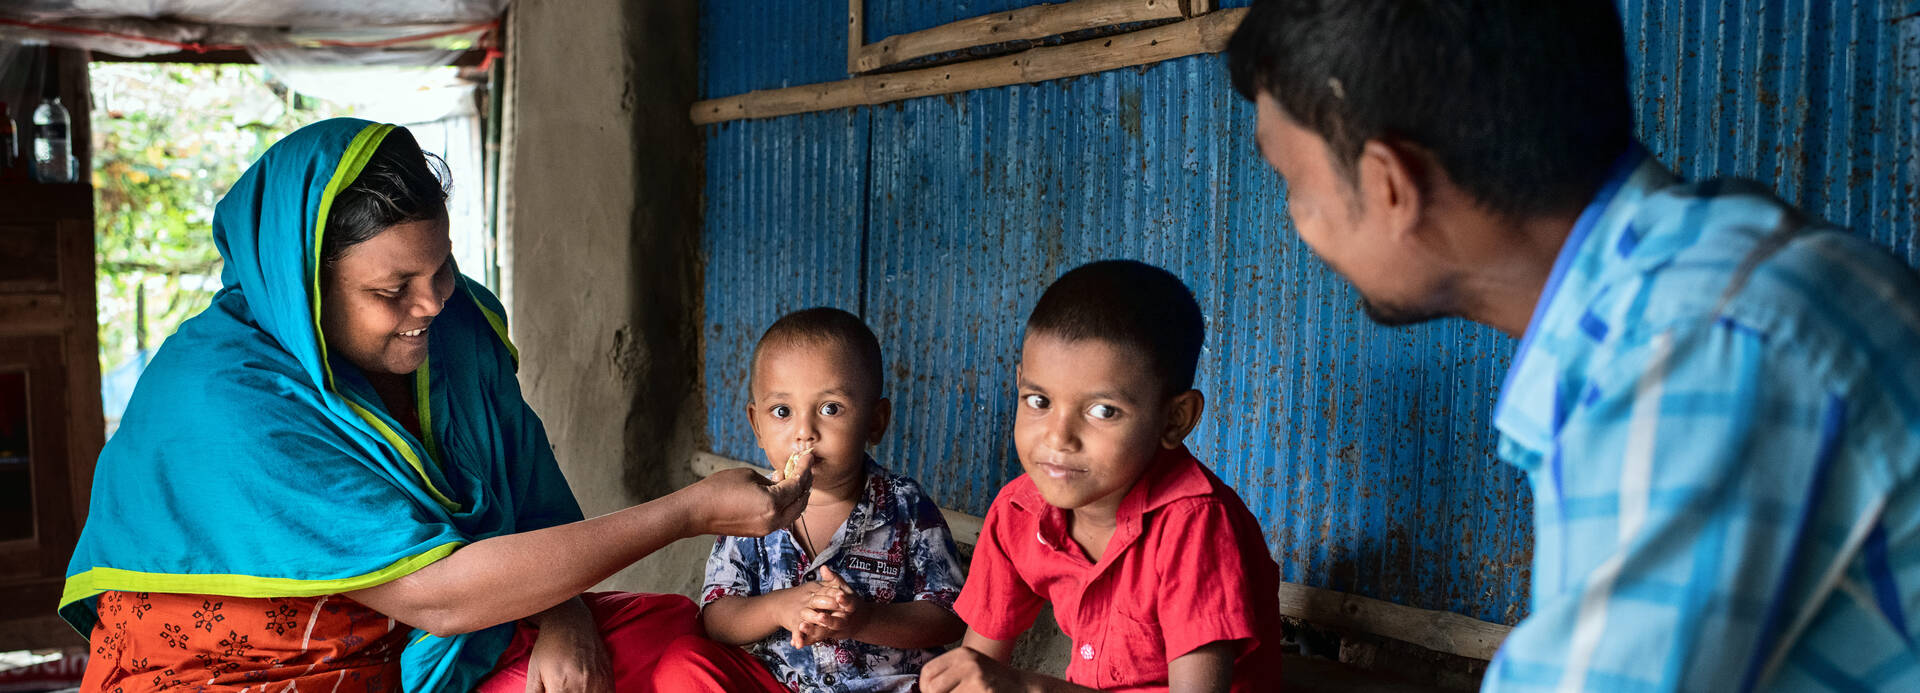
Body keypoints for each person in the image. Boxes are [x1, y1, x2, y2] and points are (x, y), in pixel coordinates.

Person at [1228, 0, 1920, 689]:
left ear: (1389, 185)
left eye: (1295, 184)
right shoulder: (1699, 280)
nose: (1298, 221)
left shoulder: (1693, 345)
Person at [59, 118, 813, 693]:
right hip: (242, 670)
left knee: (680, 650)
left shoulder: (458, 334)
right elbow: (436, 594)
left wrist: (564, 611)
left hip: (436, 636)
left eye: (442, 265)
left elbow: (526, 507)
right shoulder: (224, 400)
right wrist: (688, 511)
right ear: (303, 289)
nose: (430, 303)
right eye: (391, 291)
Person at [920, 260, 1284, 692]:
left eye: (1103, 411)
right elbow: (975, 670)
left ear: (1175, 419)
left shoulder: (1193, 524)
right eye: (1038, 400)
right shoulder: (1019, 511)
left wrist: (1030, 688)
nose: (1058, 437)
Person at [653, 307, 968, 692]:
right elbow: (717, 617)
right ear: (757, 424)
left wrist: (863, 620)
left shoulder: (905, 505)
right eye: (782, 411)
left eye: (830, 408)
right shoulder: (748, 508)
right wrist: (779, 606)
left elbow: (951, 615)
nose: (804, 432)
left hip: (882, 686)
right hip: (780, 684)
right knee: (684, 664)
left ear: (875, 421)